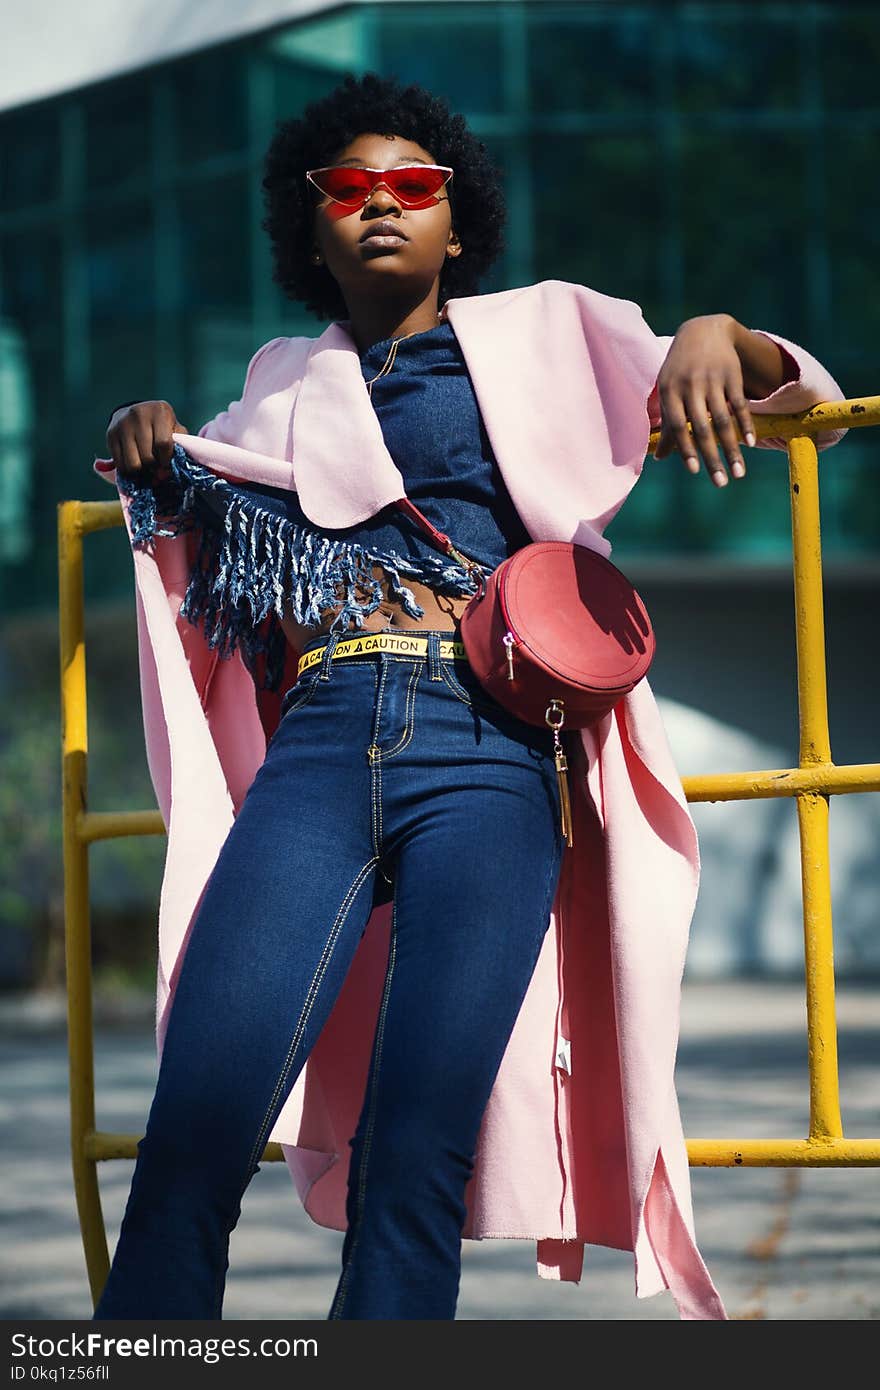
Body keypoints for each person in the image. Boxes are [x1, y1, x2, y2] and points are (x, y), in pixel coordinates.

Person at [91, 71, 847, 1322]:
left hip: (491, 749)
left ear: (457, 217)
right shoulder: (280, 377)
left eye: (413, 186)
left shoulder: (546, 332)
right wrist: (139, 429)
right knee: (197, 1122)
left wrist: (721, 330)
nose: (381, 205)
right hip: (321, 745)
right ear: (310, 223)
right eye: (349, 188)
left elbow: (788, 396)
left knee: (416, 1156)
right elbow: (195, 490)